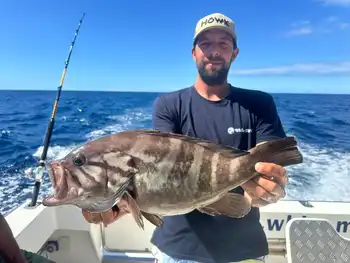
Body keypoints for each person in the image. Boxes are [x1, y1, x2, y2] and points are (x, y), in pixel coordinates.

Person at [82, 12, 289, 263]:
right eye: (205, 44)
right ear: (194, 53)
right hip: (177, 248)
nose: (214, 51)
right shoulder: (169, 104)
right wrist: (120, 203)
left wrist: (269, 188)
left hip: (243, 248)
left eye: (223, 44)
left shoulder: (259, 103)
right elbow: (158, 171)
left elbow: (272, 162)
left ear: (234, 53)